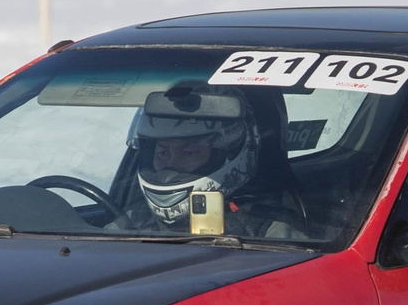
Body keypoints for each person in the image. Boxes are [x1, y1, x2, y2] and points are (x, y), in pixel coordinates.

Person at [125, 85, 306, 238]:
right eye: (163, 152)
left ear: (230, 152)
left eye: (188, 153)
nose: (171, 166)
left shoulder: (273, 232)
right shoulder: (131, 222)